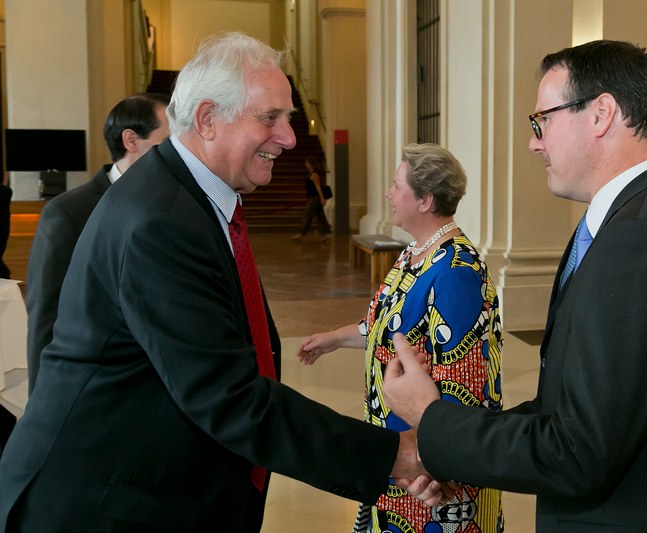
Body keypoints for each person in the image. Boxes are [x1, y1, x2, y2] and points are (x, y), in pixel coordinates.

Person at [0, 32, 439, 532]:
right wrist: (396, 455)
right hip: (99, 503)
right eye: (270, 118)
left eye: (288, 118)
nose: (288, 138)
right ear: (208, 119)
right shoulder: (160, 221)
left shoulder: (188, 196)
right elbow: (228, 396)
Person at [383, 40, 647, 532]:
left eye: (542, 120)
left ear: (601, 114)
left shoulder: (640, 239)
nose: (534, 142)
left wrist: (431, 418)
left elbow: (578, 451)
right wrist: (445, 452)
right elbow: (571, 410)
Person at [298, 143, 504, 532]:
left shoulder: (456, 271)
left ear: (425, 200)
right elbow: (387, 328)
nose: (388, 194)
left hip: (429, 469)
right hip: (396, 447)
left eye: (397, 186)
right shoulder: (415, 252)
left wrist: (432, 462)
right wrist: (335, 338)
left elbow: (465, 386)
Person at [25, 92, 170, 394]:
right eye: (169, 141)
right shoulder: (68, 213)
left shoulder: (177, 205)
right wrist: (42, 400)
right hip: (99, 388)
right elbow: (46, 317)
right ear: (131, 140)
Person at [292, 155, 332, 241]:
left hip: (315, 198)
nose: (305, 164)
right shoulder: (311, 173)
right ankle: (327, 232)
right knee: (320, 215)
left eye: (307, 163)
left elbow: (318, 187)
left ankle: (302, 233)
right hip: (312, 197)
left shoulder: (314, 174)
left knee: (308, 214)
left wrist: (322, 198)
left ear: (311, 163)